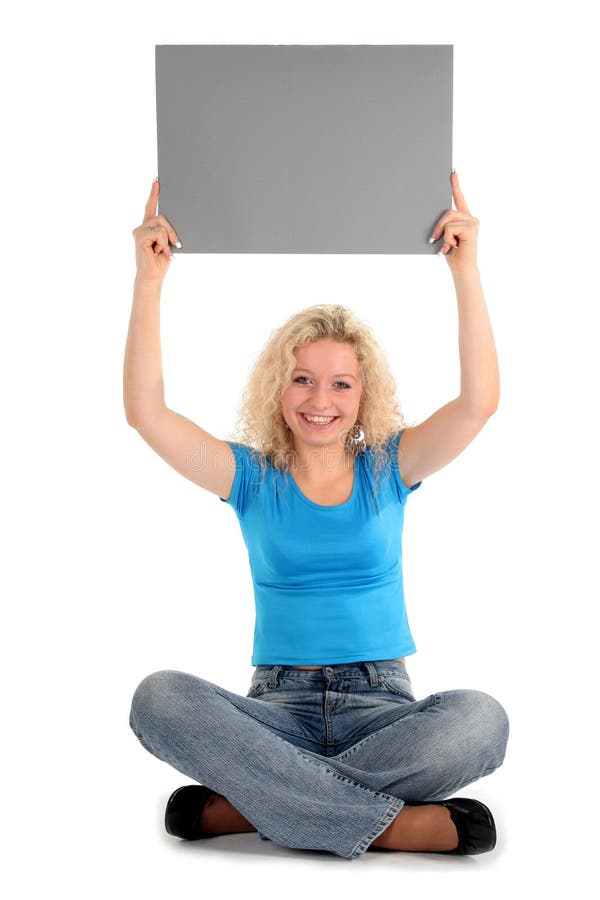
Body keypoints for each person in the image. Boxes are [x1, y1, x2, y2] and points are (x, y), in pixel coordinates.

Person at [124, 172, 509, 860]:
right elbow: (146, 415)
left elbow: (479, 403)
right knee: (158, 699)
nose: (320, 399)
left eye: (340, 383)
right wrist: (148, 281)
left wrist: (466, 270)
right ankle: (389, 825)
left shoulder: (389, 468)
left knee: (481, 721)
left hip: (383, 708)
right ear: (279, 388)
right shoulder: (249, 477)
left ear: (364, 395)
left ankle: (259, 805)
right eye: (303, 378)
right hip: (274, 713)